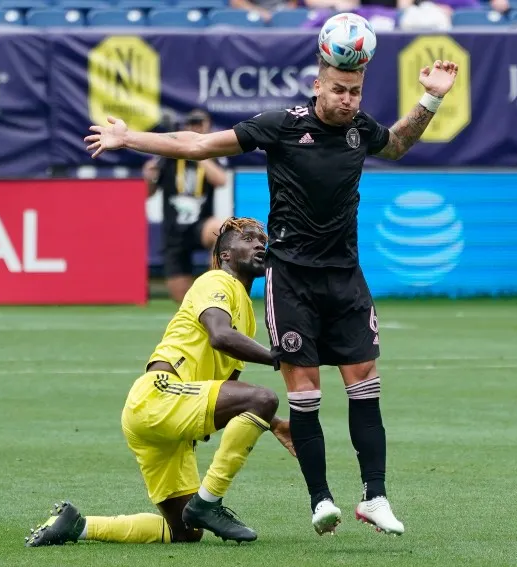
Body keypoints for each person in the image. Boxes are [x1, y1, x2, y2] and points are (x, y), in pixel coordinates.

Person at [84, 57, 459, 537]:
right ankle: (321, 499)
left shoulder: (360, 129)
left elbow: (401, 143)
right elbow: (197, 145)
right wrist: (129, 138)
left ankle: (376, 496)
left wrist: (432, 97)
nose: (348, 99)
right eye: (340, 89)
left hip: (345, 276)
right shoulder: (281, 126)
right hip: (294, 280)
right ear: (318, 85)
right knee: (305, 393)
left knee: (365, 382)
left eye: (356, 92)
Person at [25, 217, 295, 547]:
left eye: (262, 240)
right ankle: (209, 503)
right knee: (264, 397)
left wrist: (274, 422)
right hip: (160, 395)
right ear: (224, 255)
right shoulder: (216, 281)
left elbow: (228, 391)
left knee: (185, 532)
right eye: (249, 239)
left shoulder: (247, 318)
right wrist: (280, 357)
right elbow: (220, 336)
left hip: (166, 417)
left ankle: (76, 525)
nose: (259, 245)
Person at [143, 109, 228, 303]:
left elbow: (220, 180)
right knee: (182, 300)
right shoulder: (169, 155)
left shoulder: (213, 153)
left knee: (220, 229)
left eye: (201, 123)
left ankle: (213, 284)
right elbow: (148, 193)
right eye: (192, 123)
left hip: (200, 225)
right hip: (173, 231)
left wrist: (199, 152)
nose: (196, 127)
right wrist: (149, 177)